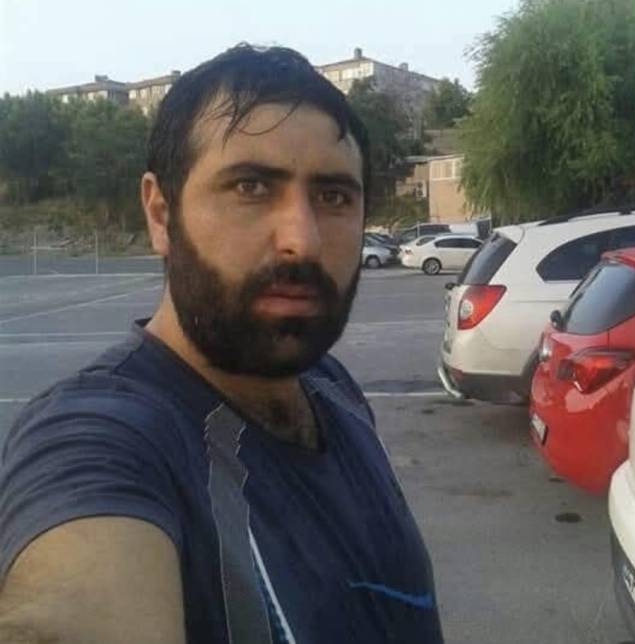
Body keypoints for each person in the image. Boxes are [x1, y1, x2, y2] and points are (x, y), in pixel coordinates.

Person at [0, 44, 443, 643]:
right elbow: (70, 605)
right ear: (161, 214)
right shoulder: (103, 437)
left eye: (334, 196)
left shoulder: (332, 388)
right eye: (251, 187)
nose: (303, 240)